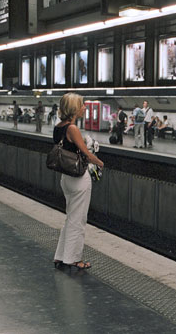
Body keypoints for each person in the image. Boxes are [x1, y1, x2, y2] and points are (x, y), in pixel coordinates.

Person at [53, 93, 105, 270]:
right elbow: (85, 153)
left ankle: (61, 255)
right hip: (78, 179)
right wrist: (100, 163)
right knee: (79, 220)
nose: (84, 107)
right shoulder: (72, 128)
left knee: (70, 218)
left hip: (66, 177)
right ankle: (74, 259)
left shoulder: (59, 126)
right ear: (74, 108)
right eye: (82, 105)